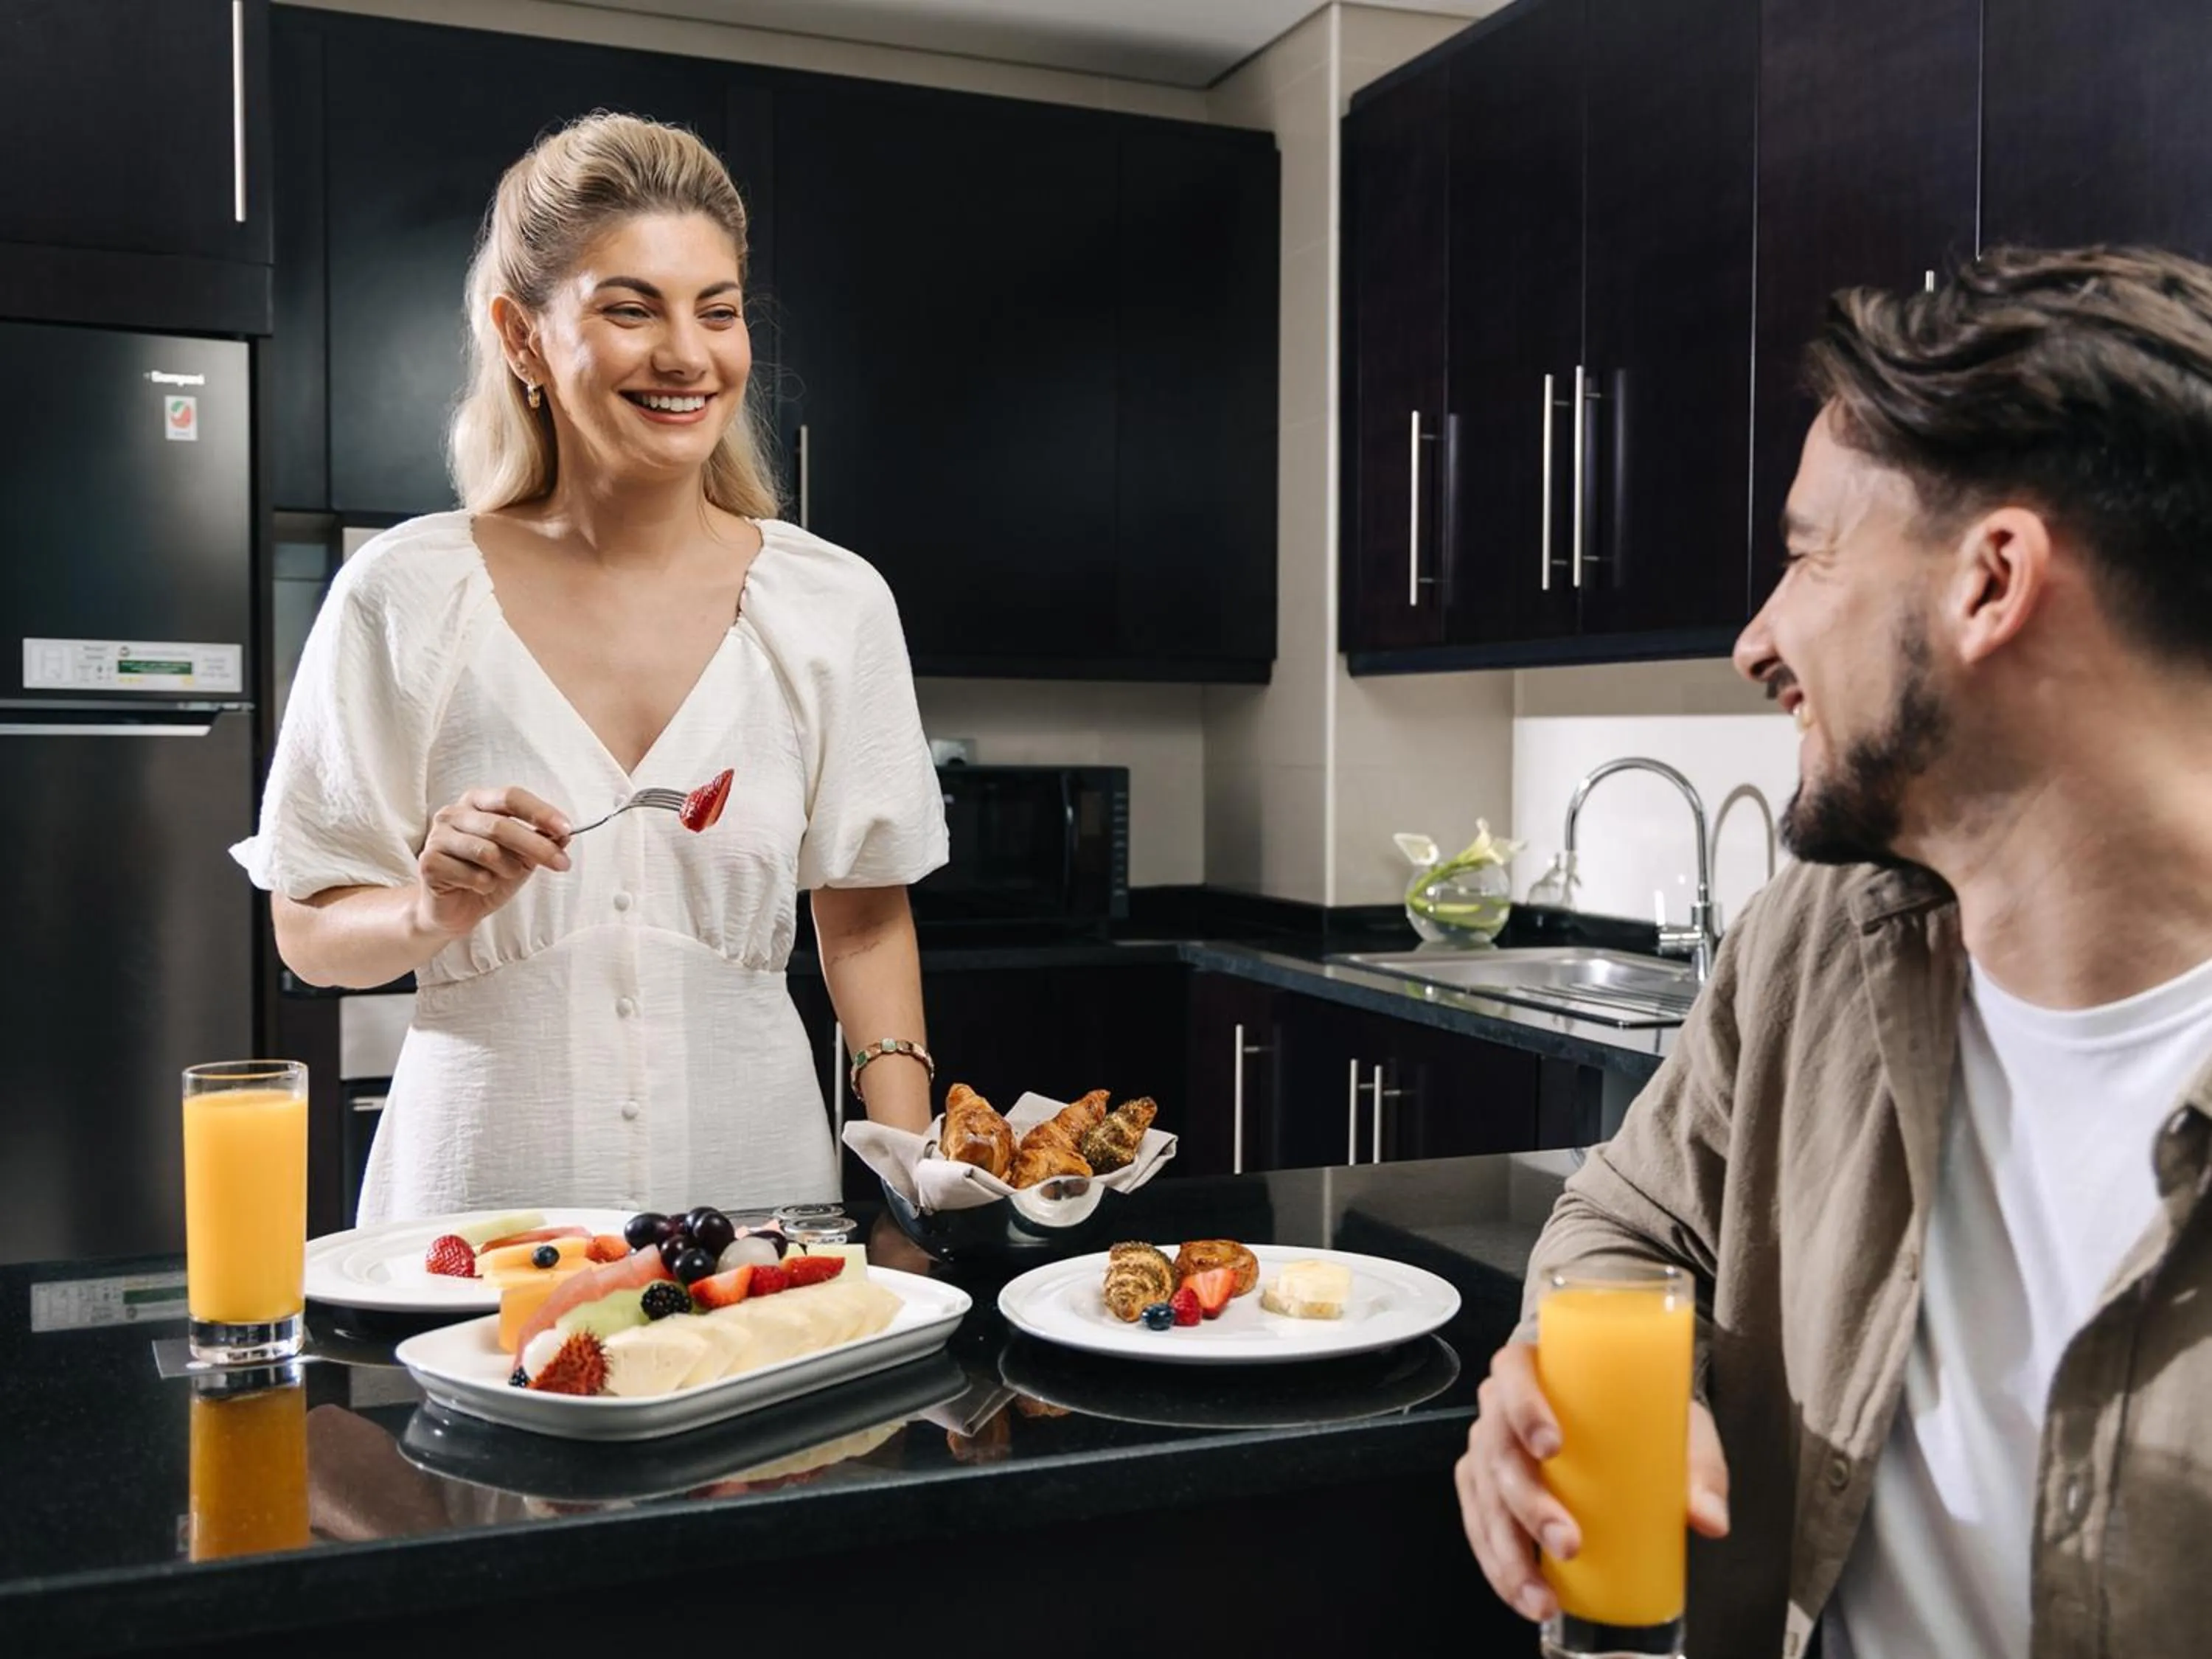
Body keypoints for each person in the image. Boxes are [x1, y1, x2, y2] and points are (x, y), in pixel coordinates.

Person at [1455, 246, 2212, 1658]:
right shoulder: (1809, 936)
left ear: (1994, 580)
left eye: (1808, 555)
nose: (1758, 637)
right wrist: (1572, 1373)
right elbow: (1626, 1222)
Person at [235, 114, 947, 1223]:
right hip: (473, 1219)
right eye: (631, 308)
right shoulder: (403, 592)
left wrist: (914, 1179)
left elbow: (861, 917)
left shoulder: (833, 603)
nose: (686, 353)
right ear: (521, 338)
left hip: (759, 1215)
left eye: (717, 310)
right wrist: (429, 905)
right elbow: (308, 928)